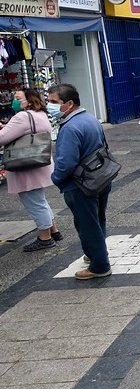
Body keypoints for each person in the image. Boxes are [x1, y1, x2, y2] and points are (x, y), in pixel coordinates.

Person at [48, 84, 112, 279]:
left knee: (87, 224)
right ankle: (95, 252)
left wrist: (56, 178)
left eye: (53, 102)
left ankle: (100, 265)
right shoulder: (91, 119)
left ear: (69, 104)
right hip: (99, 178)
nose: (49, 106)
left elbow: (66, 162)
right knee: (97, 219)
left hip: (80, 184)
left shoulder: (70, 127)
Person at [0, 89, 62, 252]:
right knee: (39, 200)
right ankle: (53, 230)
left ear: (29, 101)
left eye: (18, 98)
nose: (14, 100)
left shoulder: (21, 116)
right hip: (38, 163)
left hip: (25, 166)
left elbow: (2, 138)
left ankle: (45, 238)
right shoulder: (40, 114)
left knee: (34, 202)